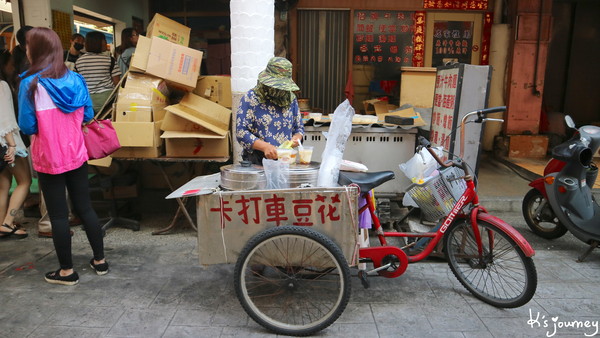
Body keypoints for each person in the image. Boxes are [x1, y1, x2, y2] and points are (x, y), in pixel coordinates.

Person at [18, 27, 108, 285]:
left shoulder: (29, 83)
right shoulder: (76, 79)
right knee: (86, 207)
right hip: (76, 154)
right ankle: (100, 261)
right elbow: (89, 115)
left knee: (58, 215)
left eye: (27, 45)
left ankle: (67, 271)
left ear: (35, 50)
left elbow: (27, 126)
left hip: (48, 158)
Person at [236, 57, 304, 164]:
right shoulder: (251, 98)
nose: (279, 90)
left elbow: (299, 128)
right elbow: (241, 132)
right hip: (257, 161)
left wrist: (296, 138)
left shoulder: (291, 99)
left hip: (285, 160)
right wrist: (265, 147)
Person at [0, 49, 31, 239]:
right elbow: (5, 119)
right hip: (8, 143)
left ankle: (1, 223)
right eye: (10, 63)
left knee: (3, 185)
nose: (13, 67)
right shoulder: (2, 85)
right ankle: (8, 222)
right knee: (25, 181)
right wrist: (12, 145)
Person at [74, 31, 120, 113]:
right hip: (107, 100)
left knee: (91, 125)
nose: (106, 43)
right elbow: (117, 83)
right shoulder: (109, 60)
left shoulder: (79, 61)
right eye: (104, 40)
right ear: (99, 43)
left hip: (87, 101)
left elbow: (77, 83)